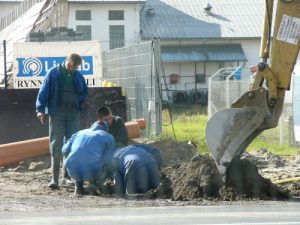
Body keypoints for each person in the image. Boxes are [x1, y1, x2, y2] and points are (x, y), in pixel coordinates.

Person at [36, 53, 88, 189]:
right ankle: (54, 179)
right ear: (66, 61)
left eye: (75, 67)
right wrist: (40, 109)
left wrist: (78, 105)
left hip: (72, 114)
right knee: (56, 145)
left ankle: (67, 177)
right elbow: (43, 92)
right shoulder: (53, 73)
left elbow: (84, 93)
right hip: (56, 114)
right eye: (71, 65)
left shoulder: (78, 76)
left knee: (71, 146)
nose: (72, 69)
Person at [62, 121, 115, 195]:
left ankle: (78, 186)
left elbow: (64, 150)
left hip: (73, 171)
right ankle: (95, 183)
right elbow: (108, 160)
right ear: (106, 129)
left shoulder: (78, 133)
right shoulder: (108, 137)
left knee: (75, 158)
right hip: (93, 171)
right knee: (114, 162)